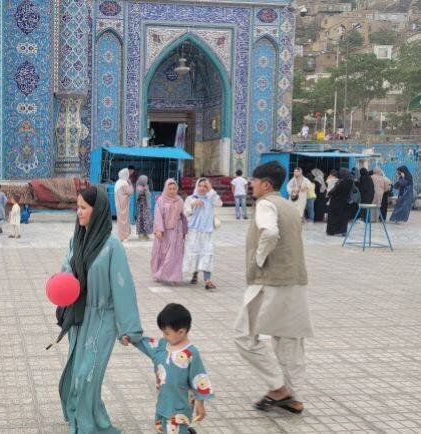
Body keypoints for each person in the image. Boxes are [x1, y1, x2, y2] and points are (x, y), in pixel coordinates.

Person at [53, 186, 143, 434]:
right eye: (77, 207)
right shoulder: (77, 239)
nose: (78, 212)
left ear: (98, 210)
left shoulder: (112, 246)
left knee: (87, 375)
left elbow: (123, 288)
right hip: (80, 318)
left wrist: (128, 328)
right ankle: (80, 417)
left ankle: (88, 424)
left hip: (102, 319)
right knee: (75, 372)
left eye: (83, 208)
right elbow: (66, 270)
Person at [235, 161, 313, 415]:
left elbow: (269, 233)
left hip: (270, 282)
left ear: (266, 184)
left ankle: (279, 389)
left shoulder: (266, 204)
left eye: (254, 181)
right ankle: (295, 397)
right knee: (289, 340)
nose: (251, 185)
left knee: (244, 336)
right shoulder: (289, 206)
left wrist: (259, 259)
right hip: (295, 282)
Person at [122, 304, 213, 433]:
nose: (164, 336)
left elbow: (199, 379)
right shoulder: (162, 346)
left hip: (180, 407)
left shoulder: (191, 354)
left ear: (181, 332)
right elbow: (146, 344)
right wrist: (131, 338)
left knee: (174, 429)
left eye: (167, 333)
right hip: (163, 402)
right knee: (162, 427)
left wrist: (201, 404)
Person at [183, 178, 222, 290]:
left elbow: (219, 203)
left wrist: (211, 190)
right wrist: (193, 204)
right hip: (193, 232)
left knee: (207, 254)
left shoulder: (211, 198)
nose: (202, 188)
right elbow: (186, 213)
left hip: (207, 232)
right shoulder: (190, 198)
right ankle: (194, 274)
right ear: (196, 186)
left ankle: (207, 280)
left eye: (205, 186)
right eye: (200, 186)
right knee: (195, 253)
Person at [151, 179, 187, 284]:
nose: (172, 191)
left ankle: (174, 277)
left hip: (177, 231)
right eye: (170, 189)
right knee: (162, 254)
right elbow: (158, 216)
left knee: (174, 255)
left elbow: (184, 216)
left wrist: (185, 229)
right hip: (164, 233)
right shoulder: (161, 200)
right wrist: (158, 229)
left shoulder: (179, 200)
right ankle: (159, 274)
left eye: (174, 189)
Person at [326, 168, 354, 236]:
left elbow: (334, 191)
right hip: (345, 203)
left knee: (333, 217)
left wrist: (329, 193)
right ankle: (342, 231)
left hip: (336, 203)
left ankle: (333, 231)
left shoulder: (341, 182)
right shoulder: (350, 182)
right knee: (343, 218)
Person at [114, 168, 134, 242]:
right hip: (123, 205)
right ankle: (124, 236)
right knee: (124, 220)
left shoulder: (118, 182)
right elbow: (131, 192)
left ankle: (121, 235)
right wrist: (130, 183)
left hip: (118, 204)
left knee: (120, 220)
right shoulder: (124, 183)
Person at [135, 175, 153, 240]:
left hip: (146, 207)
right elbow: (138, 198)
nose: (146, 181)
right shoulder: (138, 187)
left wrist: (146, 190)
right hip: (141, 207)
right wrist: (144, 191)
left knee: (146, 220)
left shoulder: (145, 186)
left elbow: (149, 195)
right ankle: (140, 234)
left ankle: (146, 234)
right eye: (145, 180)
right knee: (141, 220)